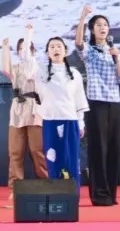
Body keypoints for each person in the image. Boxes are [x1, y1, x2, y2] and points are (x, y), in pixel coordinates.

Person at [75, 5, 120, 206]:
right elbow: (78, 43)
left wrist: (117, 58)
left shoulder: (115, 51)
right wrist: (82, 18)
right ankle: (99, 195)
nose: (102, 28)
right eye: (98, 25)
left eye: (105, 25)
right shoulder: (90, 51)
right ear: (92, 29)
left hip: (114, 104)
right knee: (98, 149)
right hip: (96, 104)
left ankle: (111, 194)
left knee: (113, 150)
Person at [21, 27, 89, 185]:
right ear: (47, 53)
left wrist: (81, 122)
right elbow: (26, 59)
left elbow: (79, 100)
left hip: (70, 122)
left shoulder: (75, 74)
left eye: (59, 46)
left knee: (71, 159)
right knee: (53, 158)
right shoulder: (41, 72)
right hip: (50, 122)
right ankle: (56, 192)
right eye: (52, 47)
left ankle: (72, 193)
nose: (56, 49)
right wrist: (28, 34)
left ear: (66, 51)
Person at [0, 32, 47, 200]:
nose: (22, 51)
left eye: (25, 48)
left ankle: (46, 183)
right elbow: (5, 69)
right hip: (18, 110)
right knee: (15, 151)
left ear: (32, 50)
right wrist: (5, 47)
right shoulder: (16, 68)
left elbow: (28, 61)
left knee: (37, 150)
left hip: (35, 109)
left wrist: (29, 33)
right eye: (19, 49)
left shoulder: (37, 67)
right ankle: (16, 187)